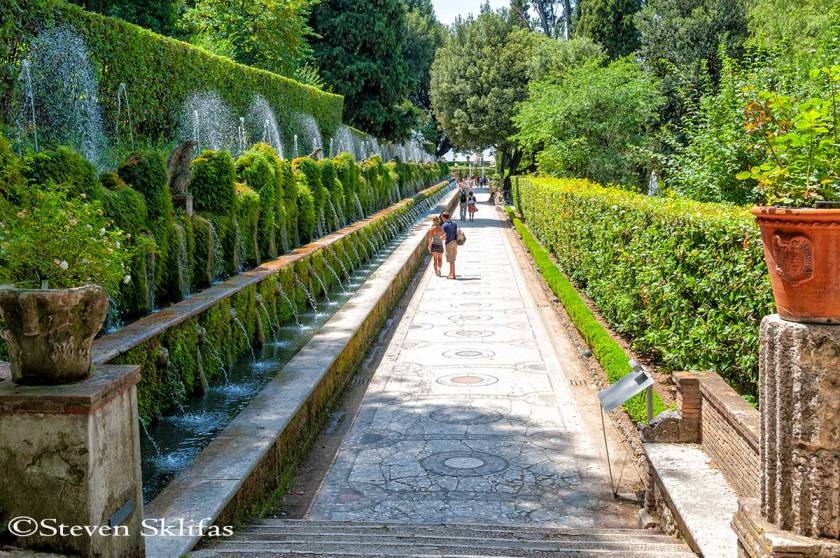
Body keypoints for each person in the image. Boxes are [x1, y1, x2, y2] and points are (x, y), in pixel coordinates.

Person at [441, 211, 458, 279]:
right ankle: (452, 273)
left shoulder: (444, 225)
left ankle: (452, 275)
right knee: (453, 259)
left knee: (451, 260)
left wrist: (441, 237)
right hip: (455, 242)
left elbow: (444, 236)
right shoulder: (454, 224)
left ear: (443, 217)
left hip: (449, 243)